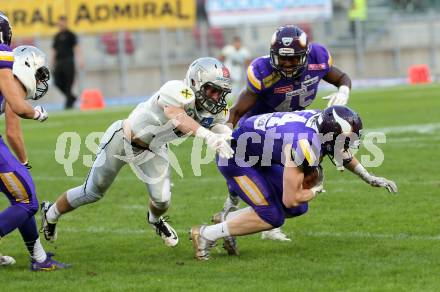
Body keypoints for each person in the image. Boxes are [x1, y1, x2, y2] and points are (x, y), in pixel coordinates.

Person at [40, 57, 235, 250]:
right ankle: (51, 213)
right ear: (195, 82)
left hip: (154, 149)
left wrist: (226, 134)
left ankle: (155, 220)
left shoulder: (216, 109)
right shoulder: (177, 90)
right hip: (122, 140)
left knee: (162, 199)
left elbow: (219, 125)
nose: (217, 97)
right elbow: (178, 117)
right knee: (92, 192)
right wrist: (207, 135)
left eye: (221, 92)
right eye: (213, 90)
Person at [190, 106, 398, 260]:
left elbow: (337, 148)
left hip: (260, 153)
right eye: (345, 141)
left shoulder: (320, 122)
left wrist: (368, 176)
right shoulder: (304, 143)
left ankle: (227, 220)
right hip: (236, 157)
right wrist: (315, 190)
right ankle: (205, 235)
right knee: (274, 215)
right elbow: (290, 199)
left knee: (299, 208)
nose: (346, 147)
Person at [222, 24, 353, 241]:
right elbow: (237, 110)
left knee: (293, 193)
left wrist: (344, 92)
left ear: (306, 55)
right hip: (262, 134)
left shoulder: (318, 58)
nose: (288, 64)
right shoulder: (263, 72)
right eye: (283, 58)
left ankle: (247, 217)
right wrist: (225, 130)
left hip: (292, 131)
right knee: (274, 185)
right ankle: (240, 213)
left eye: (294, 58)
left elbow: (342, 78)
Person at [0, 12, 69, 270]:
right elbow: (15, 120)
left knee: (18, 197)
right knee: (27, 199)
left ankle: (39, 258)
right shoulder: (4, 58)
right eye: (38, 73)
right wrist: (37, 113)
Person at [51, 15, 83, 109]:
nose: (61, 24)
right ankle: (71, 97)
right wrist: (52, 62)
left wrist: (80, 59)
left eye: (63, 22)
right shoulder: (56, 36)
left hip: (69, 62)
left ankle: (68, 103)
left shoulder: (71, 35)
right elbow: (54, 50)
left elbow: (76, 47)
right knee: (57, 81)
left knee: (69, 83)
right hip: (59, 62)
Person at [219, 36, 251, 101]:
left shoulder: (244, 51)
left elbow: (248, 63)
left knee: (235, 89)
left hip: (238, 73)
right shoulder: (228, 49)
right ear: (233, 43)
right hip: (227, 72)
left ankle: (233, 101)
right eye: (236, 43)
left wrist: (247, 72)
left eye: (238, 43)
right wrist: (220, 69)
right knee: (225, 86)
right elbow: (221, 58)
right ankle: (224, 100)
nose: (237, 44)